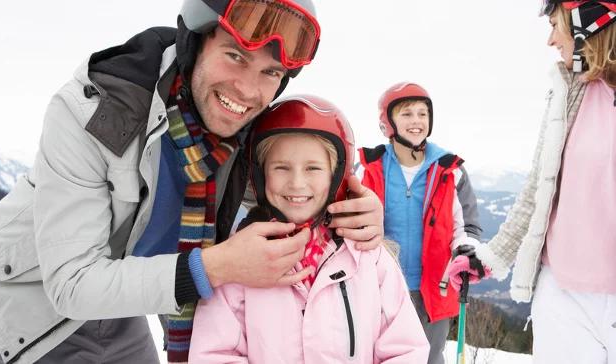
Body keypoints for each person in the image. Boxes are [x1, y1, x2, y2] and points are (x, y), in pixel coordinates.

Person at [0, 1, 386, 363]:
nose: (247, 90)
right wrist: (218, 266)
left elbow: (291, 191)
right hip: (30, 295)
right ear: (194, 42)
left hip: (124, 296)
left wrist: (349, 209)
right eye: (235, 55)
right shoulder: (95, 113)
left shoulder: (239, 133)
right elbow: (72, 285)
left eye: (270, 72)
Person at [189, 95, 430, 363]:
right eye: (281, 167)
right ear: (260, 174)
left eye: (313, 168)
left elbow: (406, 349)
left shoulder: (367, 258)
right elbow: (214, 353)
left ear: (336, 175)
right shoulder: (239, 263)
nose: (297, 183)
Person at [448, 1, 616, 362]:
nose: (551, 40)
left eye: (556, 25)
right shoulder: (569, 91)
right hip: (563, 296)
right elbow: (538, 190)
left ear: (587, 24)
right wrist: (489, 258)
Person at [358, 82, 484, 364]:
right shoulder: (369, 169)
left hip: (432, 289)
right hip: (378, 288)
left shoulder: (449, 170)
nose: (416, 121)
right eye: (406, 114)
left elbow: (468, 226)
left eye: (422, 113)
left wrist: (465, 249)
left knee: (429, 357)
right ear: (388, 123)